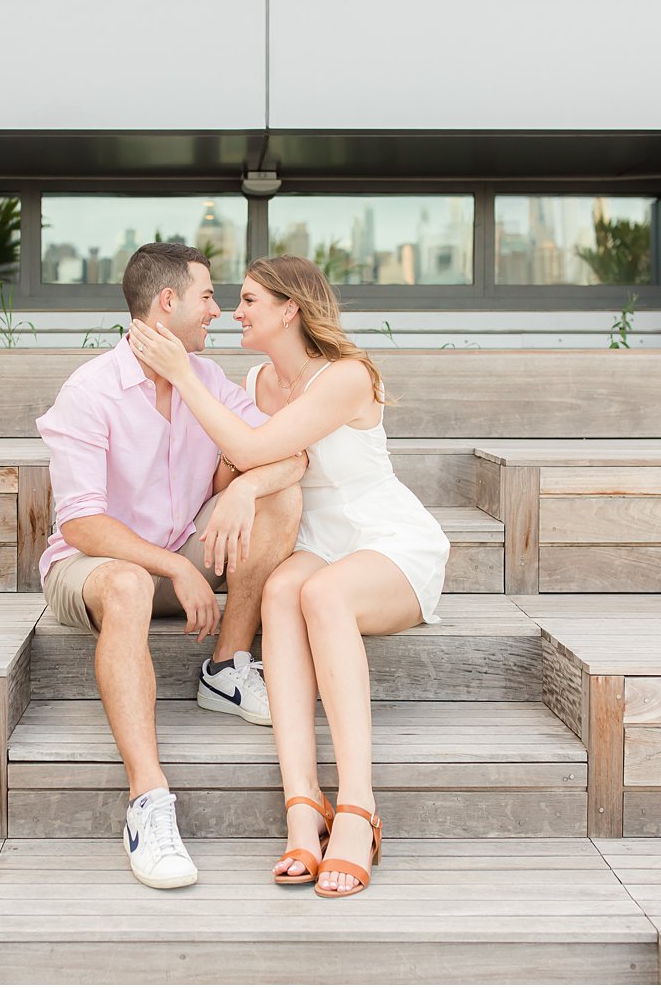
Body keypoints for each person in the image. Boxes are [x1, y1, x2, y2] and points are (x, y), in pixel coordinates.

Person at [129, 254, 449, 898]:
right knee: (280, 590)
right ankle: (302, 811)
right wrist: (244, 489)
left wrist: (182, 376)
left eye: (248, 301)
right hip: (317, 540)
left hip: (385, 540)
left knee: (322, 594)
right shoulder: (254, 382)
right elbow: (243, 466)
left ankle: (357, 811)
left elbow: (252, 451)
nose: (233, 312)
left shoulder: (347, 377)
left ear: (289, 310)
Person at [36, 243, 305, 890]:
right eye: (208, 296)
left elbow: (291, 455)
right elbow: (81, 523)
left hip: (184, 550)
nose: (218, 310)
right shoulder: (91, 389)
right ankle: (148, 800)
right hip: (93, 567)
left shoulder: (205, 380)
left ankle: (224, 667)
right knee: (128, 581)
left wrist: (241, 489)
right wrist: (175, 569)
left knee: (279, 496)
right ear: (168, 302)